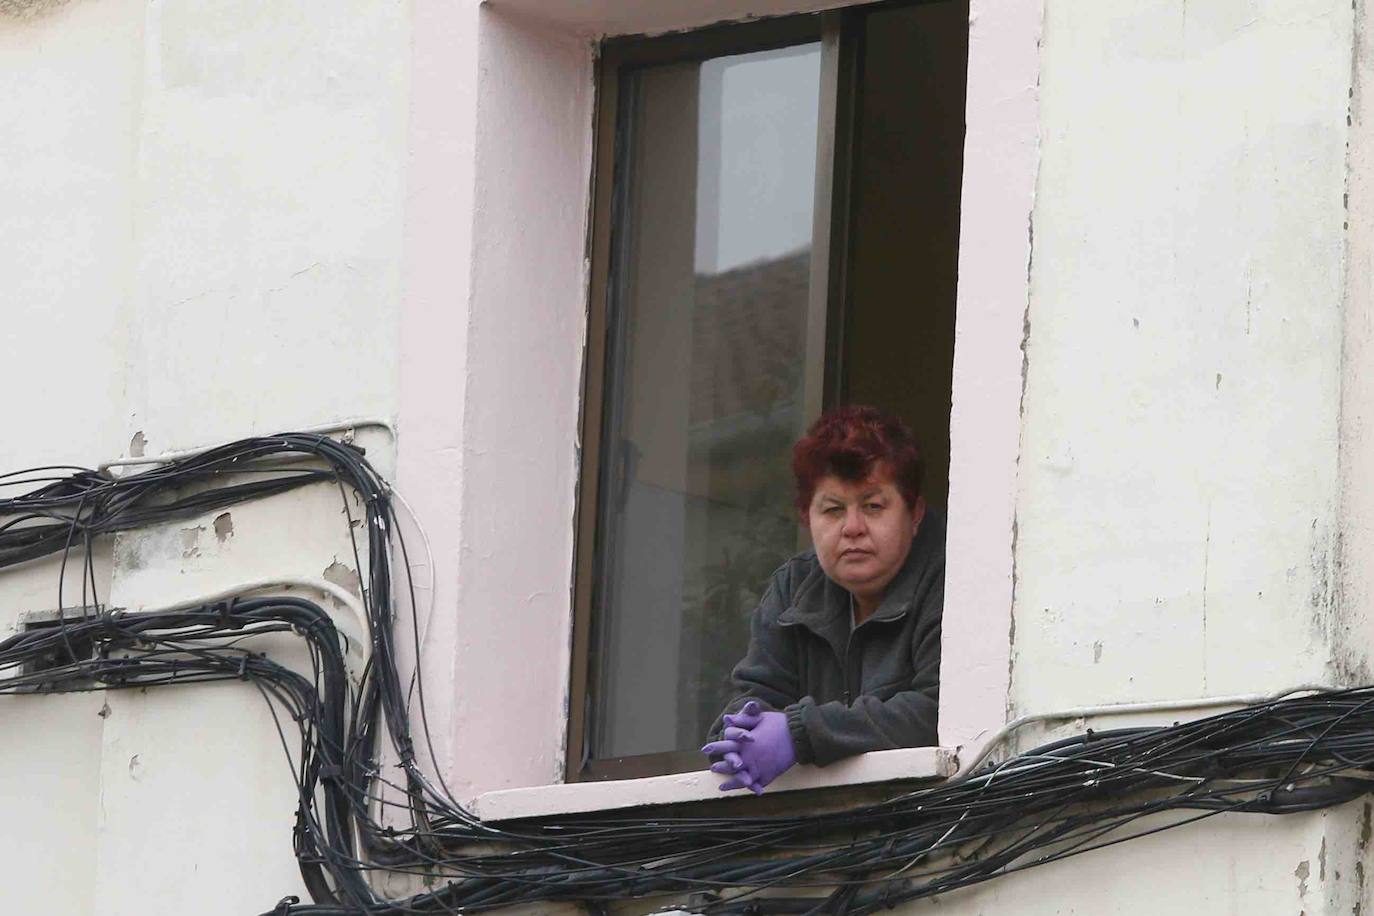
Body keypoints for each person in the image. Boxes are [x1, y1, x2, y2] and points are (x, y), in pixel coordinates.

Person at [701, 405, 944, 795]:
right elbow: (750, 697)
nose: (852, 529)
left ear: (914, 513)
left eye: (873, 506)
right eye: (832, 510)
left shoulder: (955, 578)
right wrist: (745, 732)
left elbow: (940, 711)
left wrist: (799, 734)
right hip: (813, 838)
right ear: (806, 517)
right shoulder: (794, 586)